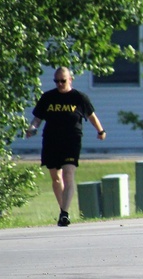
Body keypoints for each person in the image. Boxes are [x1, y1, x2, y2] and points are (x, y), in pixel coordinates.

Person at [27, 67, 106, 227]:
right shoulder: (48, 97)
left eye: (63, 80)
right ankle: (63, 209)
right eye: (57, 81)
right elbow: (37, 118)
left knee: (68, 174)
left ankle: (64, 213)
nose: (60, 84)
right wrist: (32, 128)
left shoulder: (79, 98)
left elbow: (91, 116)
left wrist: (100, 131)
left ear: (70, 79)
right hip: (51, 140)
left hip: (72, 140)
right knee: (56, 177)